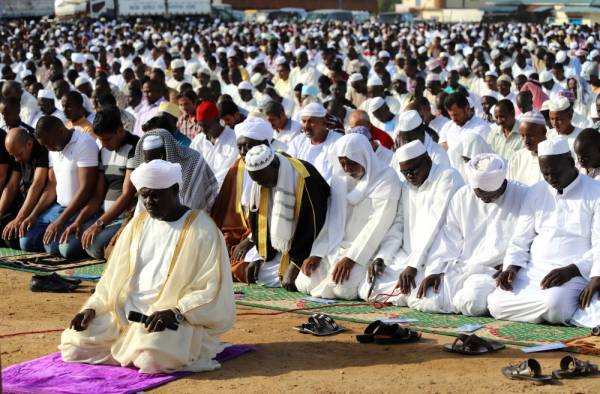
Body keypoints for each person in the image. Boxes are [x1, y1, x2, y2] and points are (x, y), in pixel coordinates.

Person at [59, 160, 235, 374]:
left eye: (155, 195)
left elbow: (211, 288)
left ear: (175, 190)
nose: (149, 202)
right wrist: (92, 308)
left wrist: (177, 312)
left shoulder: (203, 229)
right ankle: (129, 348)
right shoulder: (138, 224)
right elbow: (112, 278)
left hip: (169, 319)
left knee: (151, 359)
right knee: (72, 344)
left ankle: (139, 349)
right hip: (124, 315)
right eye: (144, 195)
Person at [488, 138, 600, 325]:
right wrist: (512, 268)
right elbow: (520, 239)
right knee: (495, 303)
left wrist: (572, 270)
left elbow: (599, 244)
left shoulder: (595, 192)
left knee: (555, 305)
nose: (551, 179)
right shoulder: (536, 192)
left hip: (573, 271)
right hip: (534, 270)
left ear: (571, 163)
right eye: (545, 174)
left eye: (555, 173)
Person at [408, 154, 527, 315]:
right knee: (420, 298)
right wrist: (434, 271)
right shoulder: (463, 196)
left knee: (471, 303)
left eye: (490, 194)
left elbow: (526, 239)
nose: (484, 198)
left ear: (502, 183)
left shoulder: (522, 195)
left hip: (494, 272)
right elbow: (449, 237)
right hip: (464, 266)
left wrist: (511, 265)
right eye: (479, 193)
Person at [296, 133, 401, 300]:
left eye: (352, 163)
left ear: (364, 157)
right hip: (335, 247)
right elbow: (331, 219)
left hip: (367, 250)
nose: (347, 169)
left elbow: (379, 223)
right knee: (304, 281)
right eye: (343, 163)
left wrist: (352, 258)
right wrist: (317, 252)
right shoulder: (340, 179)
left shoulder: (386, 178)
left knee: (343, 290)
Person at [359, 140, 463, 304]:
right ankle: (405, 292)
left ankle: (408, 292)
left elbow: (434, 223)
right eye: (404, 172)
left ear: (428, 160)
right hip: (408, 256)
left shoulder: (447, 177)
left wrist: (413, 266)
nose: (409, 176)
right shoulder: (407, 186)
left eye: (413, 170)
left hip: (438, 256)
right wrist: (382, 257)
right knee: (367, 287)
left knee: (428, 299)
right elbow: (398, 225)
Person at [241, 144, 329, 290]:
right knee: (260, 274)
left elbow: (314, 225)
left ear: (275, 165)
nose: (262, 185)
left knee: (307, 280)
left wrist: (296, 264)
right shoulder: (260, 183)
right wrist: (259, 256)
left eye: (263, 180)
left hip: (312, 248)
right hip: (282, 249)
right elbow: (261, 222)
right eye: (257, 181)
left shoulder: (304, 177)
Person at [210, 117, 285, 282]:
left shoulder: (279, 166)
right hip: (241, 231)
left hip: (270, 235)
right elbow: (223, 212)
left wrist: (251, 240)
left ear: (265, 144)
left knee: (243, 268)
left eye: (249, 146)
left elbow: (278, 216)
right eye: (240, 146)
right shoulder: (237, 166)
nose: (244, 151)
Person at [20, 116, 99, 258]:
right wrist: (33, 214)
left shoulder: (84, 143)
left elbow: (86, 189)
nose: (49, 148)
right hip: (57, 208)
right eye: (45, 146)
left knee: (64, 249)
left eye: (50, 144)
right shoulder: (52, 147)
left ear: (60, 131)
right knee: (26, 241)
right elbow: (51, 186)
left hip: (80, 210)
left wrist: (61, 220)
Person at [79, 106, 139, 259]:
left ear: (120, 131)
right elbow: (98, 195)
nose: (103, 144)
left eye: (107, 139)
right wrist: (79, 221)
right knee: (71, 241)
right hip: (105, 217)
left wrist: (98, 224)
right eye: (100, 140)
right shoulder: (103, 151)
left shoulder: (134, 148)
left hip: (125, 217)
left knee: (94, 247)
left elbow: (127, 195)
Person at [131, 130, 218, 212]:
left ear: (165, 152)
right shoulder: (147, 172)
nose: (152, 164)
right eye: (148, 161)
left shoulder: (193, 161)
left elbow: (197, 203)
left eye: (155, 159)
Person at [1, 127, 49, 249]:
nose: (16, 159)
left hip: (40, 205)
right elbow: (12, 185)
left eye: (18, 155)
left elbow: (37, 184)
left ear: (29, 144)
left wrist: (19, 218)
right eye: (13, 156)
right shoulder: (18, 150)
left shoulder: (41, 148)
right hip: (24, 203)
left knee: (14, 238)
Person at [287, 103, 341, 183]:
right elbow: (289, 168)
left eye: (311, 122)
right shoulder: (298, 141)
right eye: (304, 121)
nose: (306, 126)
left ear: (324, 122)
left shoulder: (338, 142)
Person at [190, 101, 238, 188]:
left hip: (224, 190)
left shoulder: (233, 139)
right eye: (201, 126)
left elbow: (228, 171)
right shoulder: (198, 140)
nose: (203, 130)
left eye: (207, 126)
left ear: (217, 119)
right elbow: (191, 165)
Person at [507, 111, 547, 186]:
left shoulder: (555, 158)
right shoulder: (517, 157)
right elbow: (510, 188)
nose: (526, 141)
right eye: (522, 136)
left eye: (530, 135)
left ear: (543, 132)